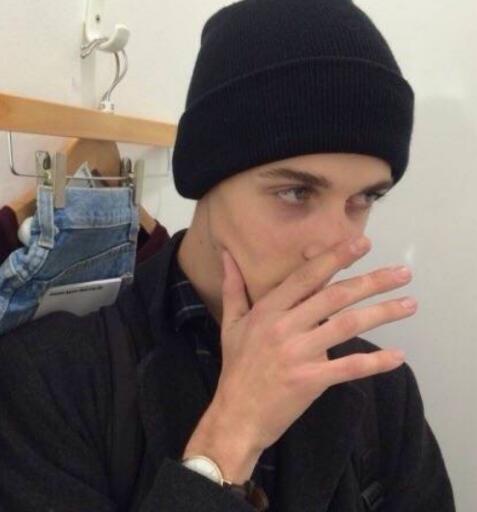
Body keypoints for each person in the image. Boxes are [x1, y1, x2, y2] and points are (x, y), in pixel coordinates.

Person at [0, 0, 456, 511]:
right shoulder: (46, 382)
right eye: (296, 192)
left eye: (364, 199)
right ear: (207, 175)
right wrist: (227, 443)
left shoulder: (382, 391)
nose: (336, 245)